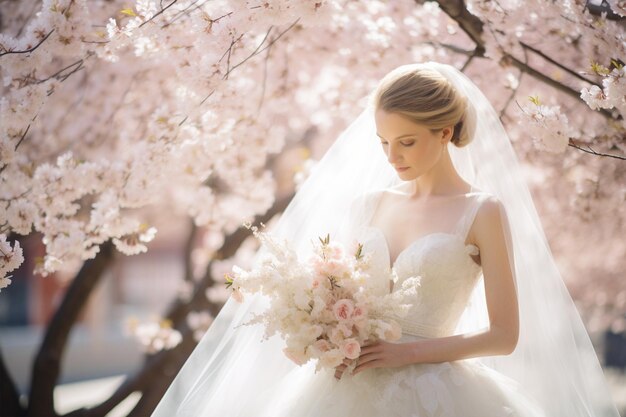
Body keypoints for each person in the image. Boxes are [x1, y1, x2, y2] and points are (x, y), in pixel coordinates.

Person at [150, 62, 620, 417]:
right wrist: (316, 333)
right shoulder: (369, 203)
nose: (393, 156)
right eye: (383, 142)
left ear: (445, 131)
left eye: (407, 142)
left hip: (438, 393)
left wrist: (406, 353)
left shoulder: (483, 211)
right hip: (343, 388)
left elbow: (504, 335)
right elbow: (334, 290)